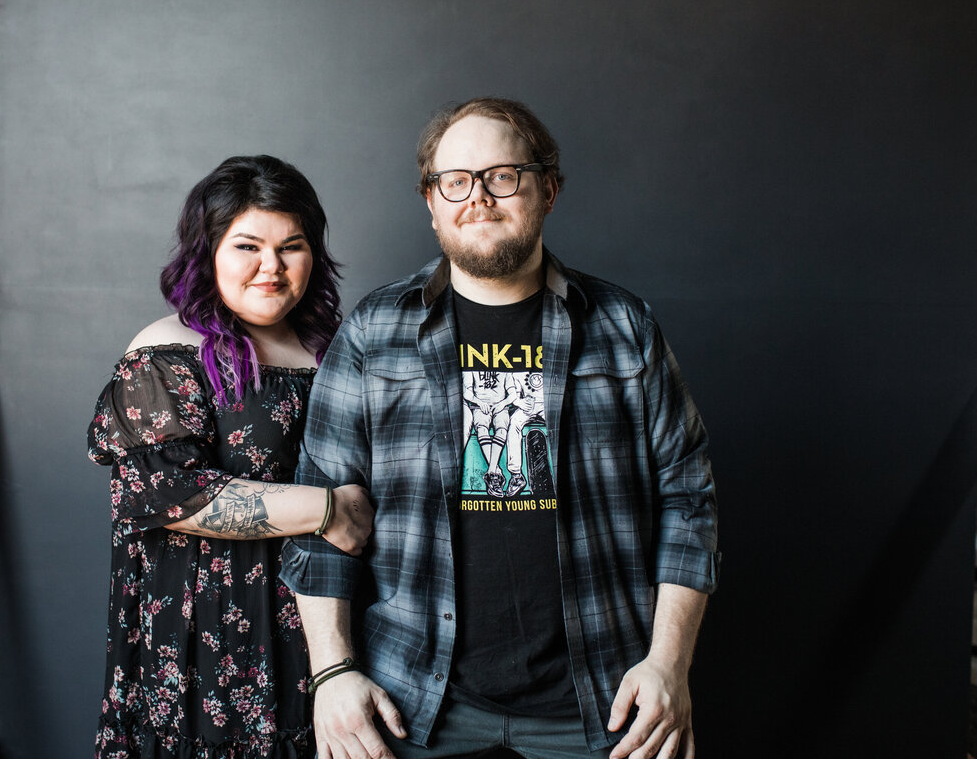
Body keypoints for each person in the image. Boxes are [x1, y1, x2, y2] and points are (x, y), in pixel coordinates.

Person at [280, 98, 720, 759]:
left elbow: (689, 503)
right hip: (409, 699)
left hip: (604, 700)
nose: (477, 197)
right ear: (432, 202)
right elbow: (324, 511)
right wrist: (334, 674)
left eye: (502, 176)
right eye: (455, 181)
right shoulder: (376, 333)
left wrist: (669, 665)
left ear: (548, 189)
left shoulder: (623, 328)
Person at [87, 154, 373, 759]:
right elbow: (162, 495)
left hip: (327, 626)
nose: (271, 266)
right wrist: (327, 508)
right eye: (248, 246)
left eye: (291, 246)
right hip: (207, 636)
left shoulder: (335, 345)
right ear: (207, 251)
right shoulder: (169, 349)